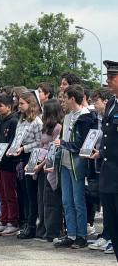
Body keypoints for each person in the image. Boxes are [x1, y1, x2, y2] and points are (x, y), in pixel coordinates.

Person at [53, 84, 97, 249]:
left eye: (65, 98)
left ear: (72, 98)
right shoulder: (67, 116)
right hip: (64, 162)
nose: (63, 101)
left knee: (78, 200)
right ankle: (70, 234)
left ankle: (81, 235)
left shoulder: (86, 117)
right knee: (66, 200)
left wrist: (63, 143)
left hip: (76, 163)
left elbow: (83, 143)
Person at [90, 60, 118, 260]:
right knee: (112, 223)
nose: (108, 82)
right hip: (109, 173)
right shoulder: (111, 104)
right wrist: (100, 152)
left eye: (112, 78)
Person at [8, 91, 43, 239]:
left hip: (32, 156)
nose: (19, 106)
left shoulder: (37, 121)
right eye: (19, 103)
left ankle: (31, 225)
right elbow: (17, 137)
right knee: (22, 191)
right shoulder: (21, 119)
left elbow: (40, 142)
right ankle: (25, 222)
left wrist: (24, 148)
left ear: (30, 104)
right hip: (20, 156)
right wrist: (14, 148)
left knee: (30, 193)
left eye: (22, 103)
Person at [32, 99, 64, 242]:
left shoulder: (58, 127)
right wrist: (34, 163)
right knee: (41, 199)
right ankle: (43, 228)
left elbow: (53, 149)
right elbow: (40, 147)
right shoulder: (45, 127)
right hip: (40, 165)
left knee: (51, 199)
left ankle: (52, 231)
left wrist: (41, 164)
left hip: (50, 166)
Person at [0, 94, 20, 236]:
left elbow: (13, 143)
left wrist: (5, 156)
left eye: (1, 106)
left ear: (9, 107)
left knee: (9, 194)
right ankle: (3, 220)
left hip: (8, 163)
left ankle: (12, 221)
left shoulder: (14, 121)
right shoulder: (0, 121)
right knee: (1, 193)